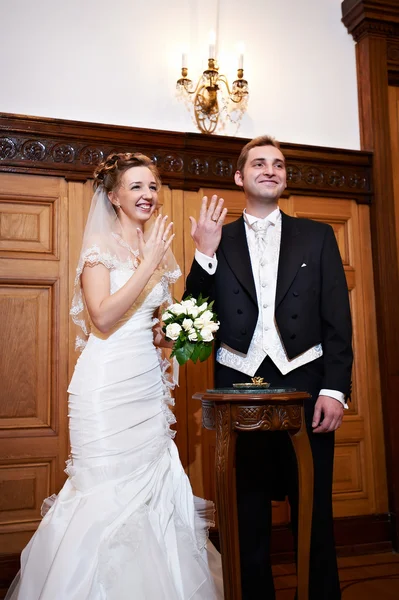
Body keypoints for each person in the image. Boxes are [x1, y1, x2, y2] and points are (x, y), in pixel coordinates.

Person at [6, 152, 223, 600]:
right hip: (105, 388)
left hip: (146, 385)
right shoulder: (98, 252)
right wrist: (148, 263)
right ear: (114, 196)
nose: (148, 195)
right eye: (137, 187)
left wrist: (182, 331)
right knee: (105, 488)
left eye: (153, 186)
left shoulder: (158, 252)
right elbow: (102, 318)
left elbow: (155, 328)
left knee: (152, 489)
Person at [185, 135, 353, 600]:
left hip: (306, 384)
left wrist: (336, 391)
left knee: (314, 512)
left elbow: (338, 319)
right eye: (259, 163)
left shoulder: (318, 235)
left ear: (284, 177)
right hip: (237, 387)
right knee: (246, 514)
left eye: (278, 164)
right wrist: (204, 254)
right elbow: (193, 321)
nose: (270, 169)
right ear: (240, 177)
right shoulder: (219, 237)